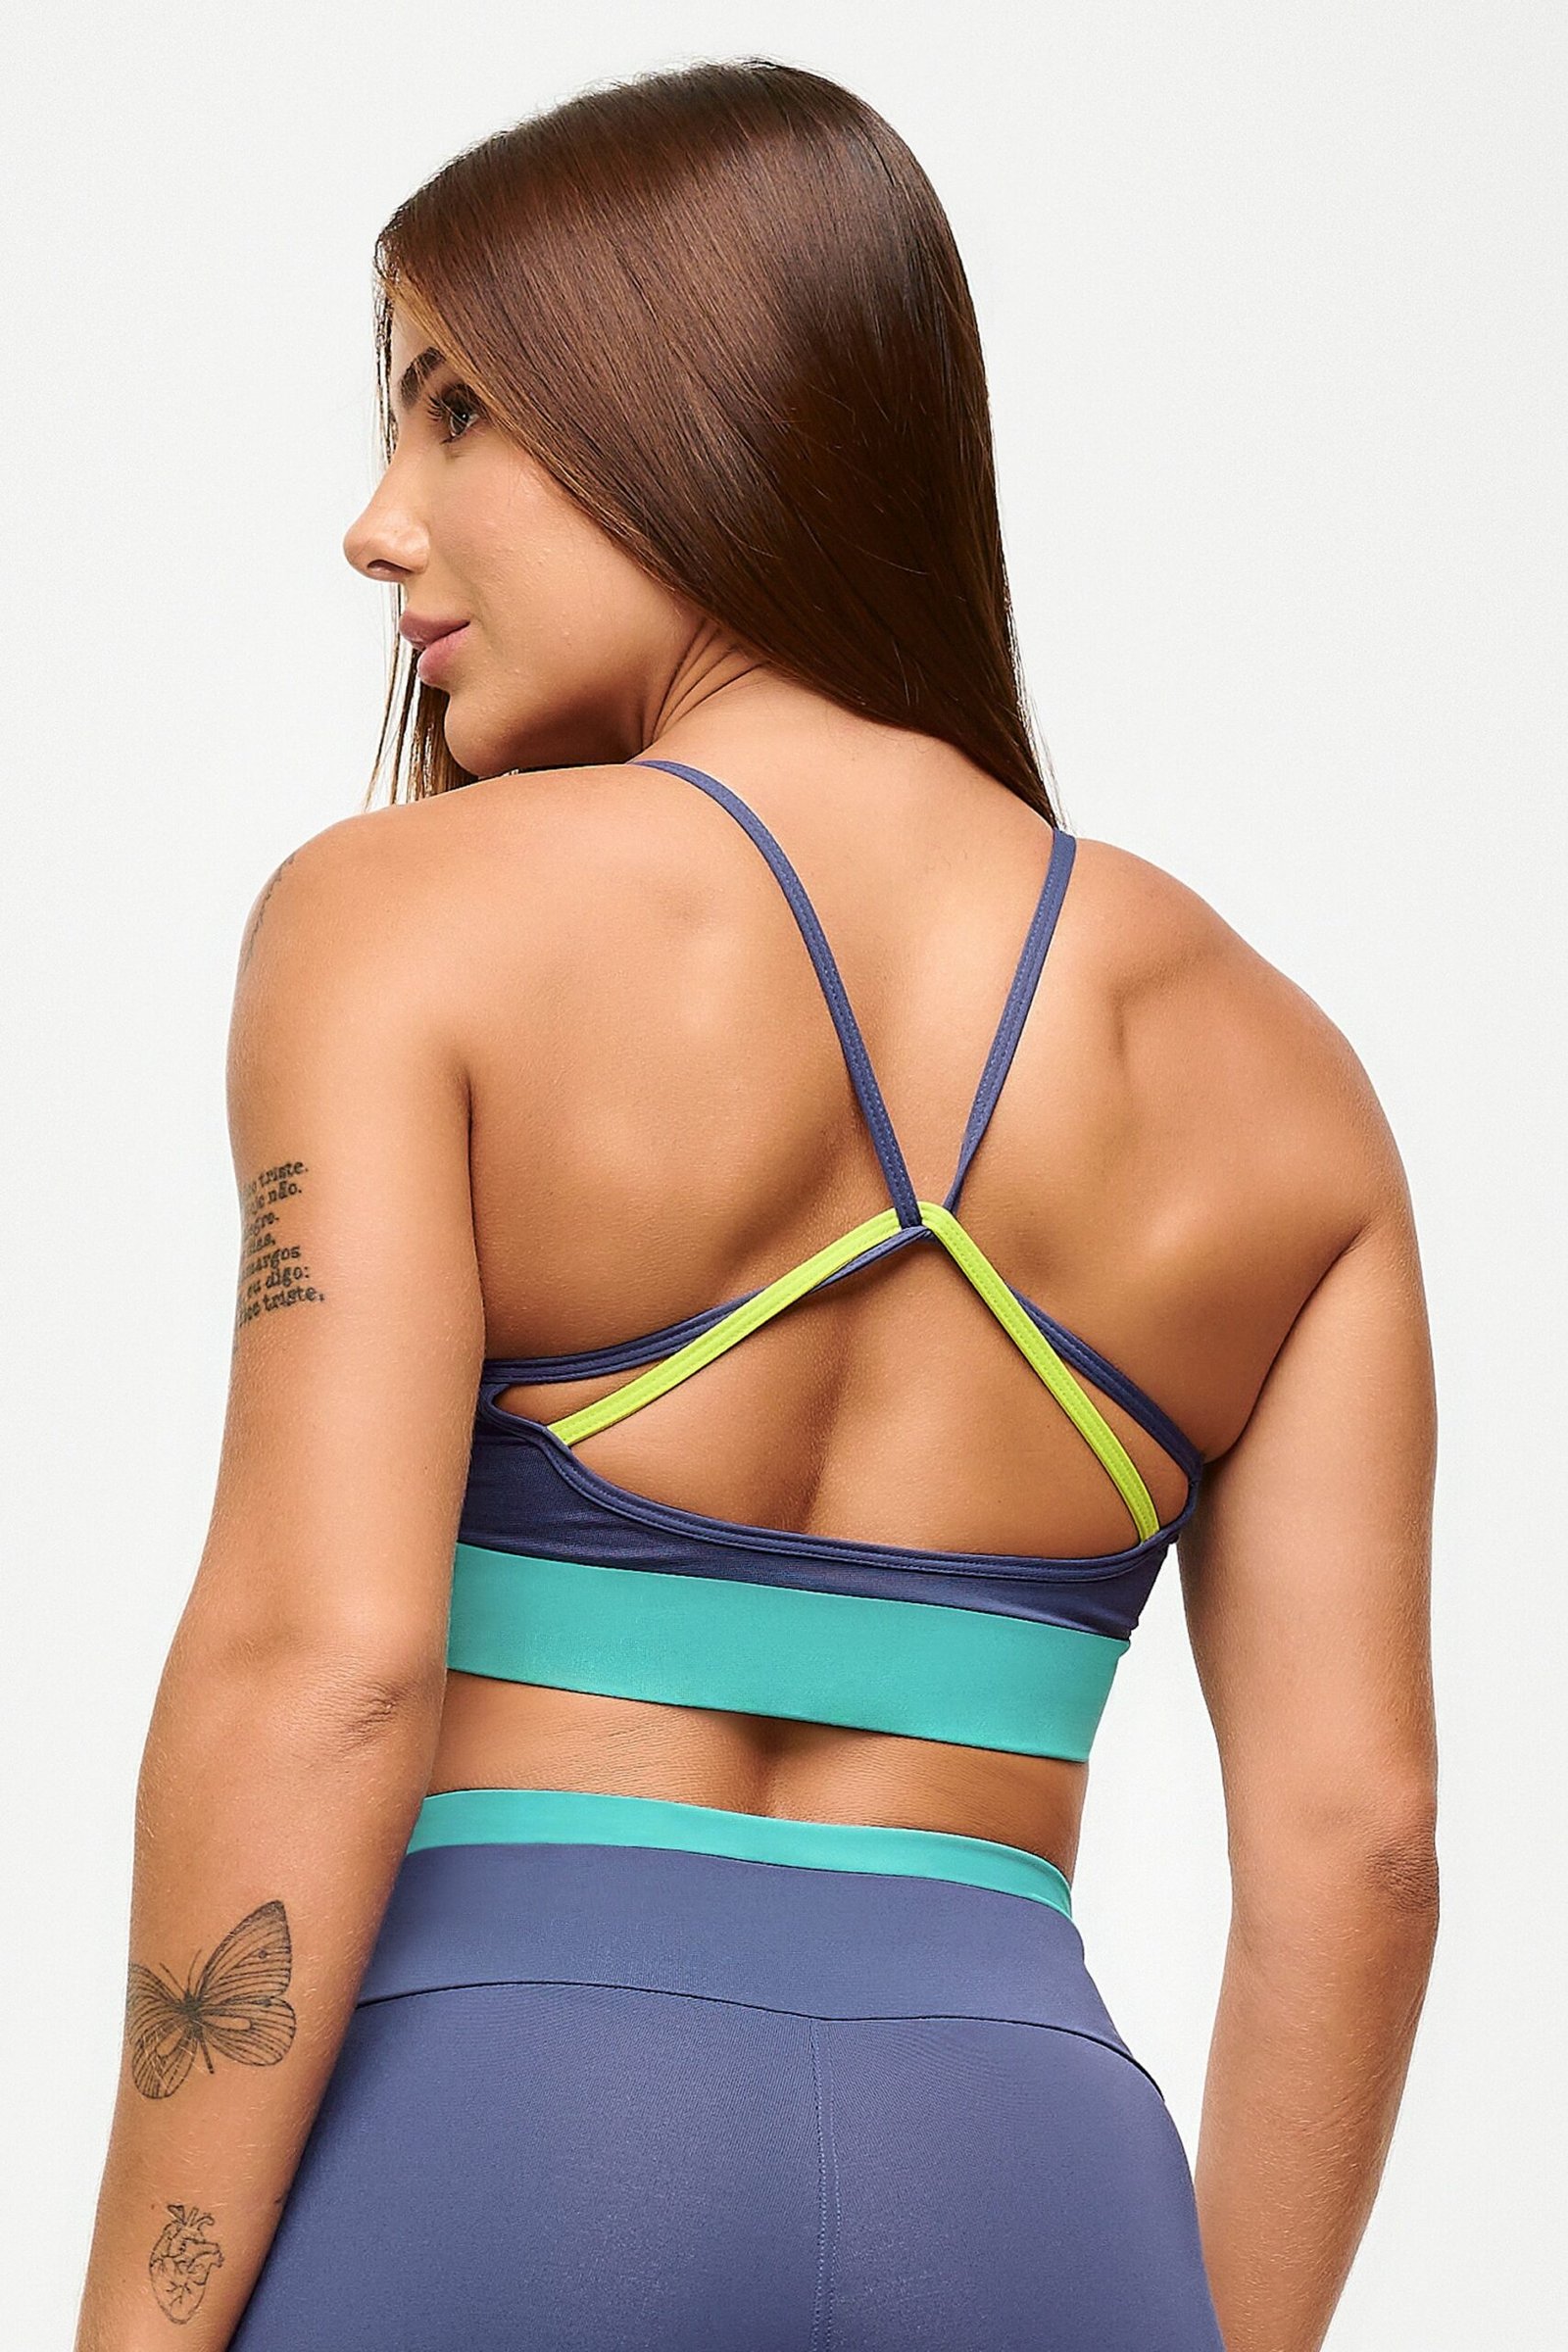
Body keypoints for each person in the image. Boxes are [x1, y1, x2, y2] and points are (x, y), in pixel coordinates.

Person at [73, 57, 1439, 2352]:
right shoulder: (1280, 1081)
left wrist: (137, 2322)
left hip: (503, 2145)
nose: (378, 524)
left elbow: (319, 1669)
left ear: (683, 401)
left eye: (453, 410)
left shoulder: (402, 923)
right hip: (1028, 2179)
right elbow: (1358, 1851)